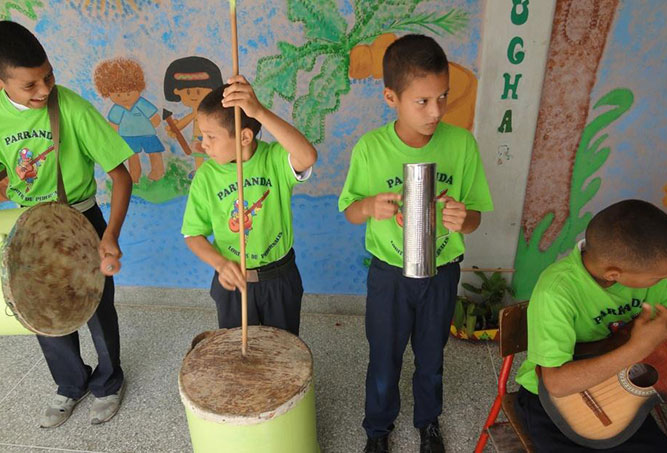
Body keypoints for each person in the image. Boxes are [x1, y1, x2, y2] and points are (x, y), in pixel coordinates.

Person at [338, 34, 493, 453]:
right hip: (389, 274)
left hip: (441, 271)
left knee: (431, 357)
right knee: (384, 358)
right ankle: (377, 430)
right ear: (391, 96)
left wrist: (465, 217)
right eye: (422, 101)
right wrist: (370, 205)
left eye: (442, 97)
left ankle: (428, 423)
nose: (436, 111)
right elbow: (350, 210)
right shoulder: (371, 149)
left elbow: (476, 215)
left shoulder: (461, 145)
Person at [0, 21, 133, 427]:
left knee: (95, 309)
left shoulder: (71, 107)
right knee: (42, 312)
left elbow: (121, 176)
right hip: (31, 229)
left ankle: (109, 383)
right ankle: (70, 384)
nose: (44, 89)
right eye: (30, 85)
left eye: (48, 77)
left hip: (81, 220)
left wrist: (109, 235)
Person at [514, 199, 667, 452]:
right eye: (658, 277)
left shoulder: (658, 279)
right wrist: (637, 348)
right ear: (614, 274)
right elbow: (557, 383)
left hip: (619, 394)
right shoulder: (556, 292)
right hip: (552, 402)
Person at [181, 75, 317, 335]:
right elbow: (193, 234)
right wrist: (220, 264)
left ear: (244, 137)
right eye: (202, 135)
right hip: (233, 282)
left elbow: (307, 156)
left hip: (279, 278)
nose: (203, 144)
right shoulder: (206, 176)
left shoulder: (274, 159)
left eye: (211, 136)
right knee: (236, 355)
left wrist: (258, 112)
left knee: (281, 350)